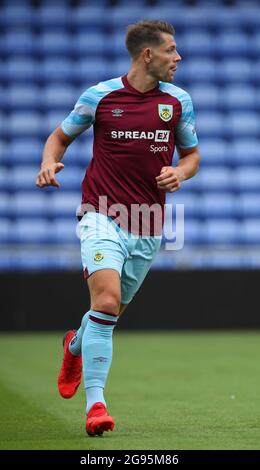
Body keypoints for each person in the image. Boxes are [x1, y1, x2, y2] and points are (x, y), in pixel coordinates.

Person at [35, 19, 200, 437]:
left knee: (108, 312)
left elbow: (192, 155)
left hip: (147, 224)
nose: (177, 58)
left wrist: (181, 172)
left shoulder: (178, 102)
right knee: (106, 302)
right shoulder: (100, 96)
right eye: (171, 50)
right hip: (100, 213)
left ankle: (74, 345)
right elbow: (59, 137)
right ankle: (96, 407)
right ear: (148, 54)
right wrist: (47, 162)